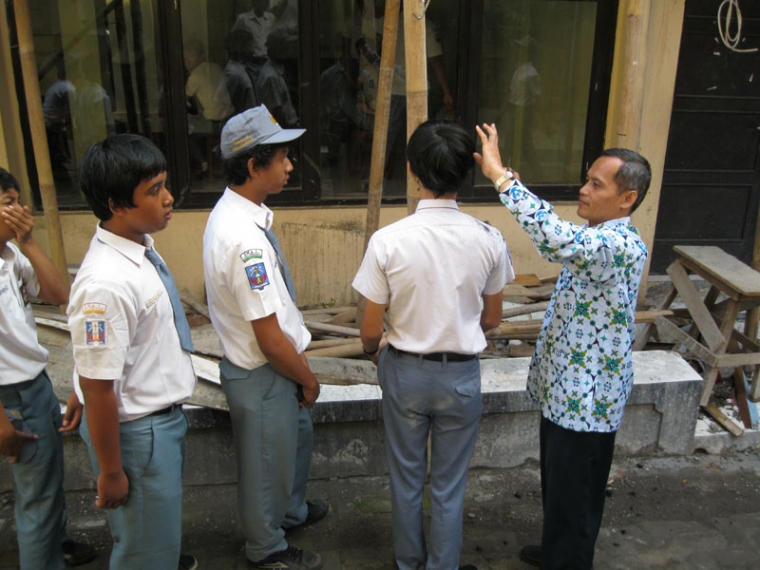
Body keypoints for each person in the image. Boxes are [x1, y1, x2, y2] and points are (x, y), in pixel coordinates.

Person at [475, 122, 650, 570]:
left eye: (596, 183)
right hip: (566, 393)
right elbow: (564, 235)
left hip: (587, 401)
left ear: (626, 198)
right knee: (561, 484)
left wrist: (501, 178)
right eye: (587, 179)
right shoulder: (596, 238)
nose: (584, 189)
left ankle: (568, 559)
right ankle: (559, 550)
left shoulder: (617, 244)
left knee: (576, 490)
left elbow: (556, 238)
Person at [353, 120, 513, 570]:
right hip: (461, 376)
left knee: (405, 481)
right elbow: (494, 318)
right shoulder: (488, 238)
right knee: (449, 485)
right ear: (467, 173)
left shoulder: (388, 241)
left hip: (404, 370)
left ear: (412, 171)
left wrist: (374, 353)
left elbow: (369, 328)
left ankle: (409, 564)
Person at [203, 105, 328, 570]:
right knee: (265, 465)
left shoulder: (245, 216)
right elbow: (269, 338)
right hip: (265, 369)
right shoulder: (245, 240)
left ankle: (290, 513)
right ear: (255, 166)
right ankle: (266, 548)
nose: (290, 165)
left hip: (277, 367)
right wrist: (309, 379)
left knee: (289, 448)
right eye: (282, 158)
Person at [67, 135, 198, 570]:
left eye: (164, 184)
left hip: (156, 425)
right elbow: (99, 386)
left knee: (154, 538)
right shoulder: (105, 283)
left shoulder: (138, 248)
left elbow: (105, 358)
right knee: (145, 552)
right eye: (154, 190)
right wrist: (111, 471)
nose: (168, 198)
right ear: (116, 204)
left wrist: (78, 387)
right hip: (139, 434)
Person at [0, 168, 96, 569]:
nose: (20, 209)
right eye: (8, 202)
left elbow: (58, 294)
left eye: (19, 200)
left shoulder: (10, 255)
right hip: (10, 397)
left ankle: (54, 543)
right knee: (36, 496)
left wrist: (28, 241)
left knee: (46, 481)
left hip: (32, 384)